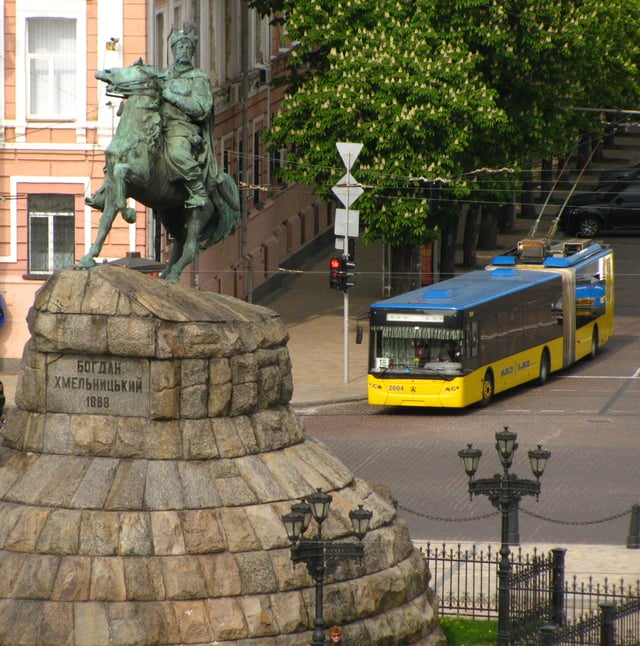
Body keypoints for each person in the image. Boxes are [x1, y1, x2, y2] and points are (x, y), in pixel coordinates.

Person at [160, 23, 228, 212]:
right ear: (173, 50)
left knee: (176, 153)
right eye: (180, 47)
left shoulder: (198, 78)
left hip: (182, 128)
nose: (183, 51)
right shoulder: (163, 76)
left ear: (192, 52)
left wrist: (171, 96)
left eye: (187, 47)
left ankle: (198, 191)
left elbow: (201, 108)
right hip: (157, 125)